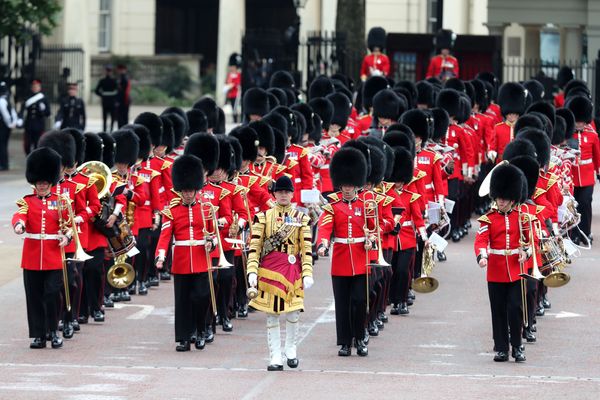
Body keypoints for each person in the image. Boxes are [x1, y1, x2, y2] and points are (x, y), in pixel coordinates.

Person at [246, 175, 313, 370]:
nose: (283, 195)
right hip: (269, 271)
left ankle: (290, 348)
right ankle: (275, 355)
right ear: (274, 194)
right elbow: (255, 246)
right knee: (272, 315)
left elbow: (306, 249)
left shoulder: (302, 219)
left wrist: (307, 272)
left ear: (292, 194)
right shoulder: (263, 217)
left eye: (287, 192)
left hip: (292, 270)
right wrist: (251, 270)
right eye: (280, 192)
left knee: (293, 312)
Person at [156, 154, 217, 352]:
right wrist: (161, 255)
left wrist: (212, 242)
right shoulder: (171, 211)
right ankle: (184, 337)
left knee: (201, 296)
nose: (188, 194)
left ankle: (200, 331)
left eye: (191, 190)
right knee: (182, 301)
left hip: (201, 258)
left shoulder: (206, 209)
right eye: (185, 191)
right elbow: (165, 235)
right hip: (181, 260)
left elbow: (213, 233)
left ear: (196, 189)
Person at [13, 147, 71, 349]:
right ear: (34, 182)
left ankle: (54, 331)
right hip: (31, 257)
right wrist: (19, 225)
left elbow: (69, 225)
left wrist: (67, 236)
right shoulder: (27, 202)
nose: (42, 185)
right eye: (39, 182)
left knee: (53, 294)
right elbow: (19, 215)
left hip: (54, 256)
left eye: (45, 182)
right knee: (34, 297)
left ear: (51, 182)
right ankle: (38, 335)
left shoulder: (61, 202)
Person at [317, 147, 372, 357]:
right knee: (342, 303)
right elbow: (325, 226)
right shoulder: (333, 205)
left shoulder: (366, 204)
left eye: (350, 184)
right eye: (344, 185)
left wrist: (372, 238)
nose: (347, 188)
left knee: (359, 301)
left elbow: (374, 227)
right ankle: (345, 342)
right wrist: (322, 243)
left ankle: (360, 337)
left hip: (360, 258)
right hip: (340, 259)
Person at [474, 163, 531, 362]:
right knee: (498, 311)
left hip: (516, 270)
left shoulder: (522, 217)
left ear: (513, 198)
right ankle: (500, 347)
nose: (500, 201)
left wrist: (526, 252)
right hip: (496, 271)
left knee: (515, 308)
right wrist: (482, 256)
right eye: (498, 198)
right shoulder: (488, 219)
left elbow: (530, 239)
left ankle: (517, 346)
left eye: (504, 199)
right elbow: (481, 240)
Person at [20, 79, 51, 155]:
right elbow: (22, 110)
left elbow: (48, 113)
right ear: (31, 87)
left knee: (38, 144)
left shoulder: (44, 98)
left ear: (40, 87)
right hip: (29, 125)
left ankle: (36, 160)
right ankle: (29, 157)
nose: (35, 87)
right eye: (34, 86)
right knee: (27, 145)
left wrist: (43, 110)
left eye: (37, 86)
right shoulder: (27, 97)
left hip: (39, 125)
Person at [0, 81, 18, 170]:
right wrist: (13, 122)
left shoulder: (2, 100)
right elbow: (13, 112)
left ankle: (3, 164)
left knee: (2, 145)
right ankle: (4, 163)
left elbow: (5, 114)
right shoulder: (7, 99)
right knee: (4, 145)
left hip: (3, 126)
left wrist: (9, 124)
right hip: (7, 126)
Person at [95, 65, 118, 132]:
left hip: (106, 101)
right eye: (108, 71)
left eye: (109, 71)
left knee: (109, 117)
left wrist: (102, 95)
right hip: (110, 101)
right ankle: (107, 130)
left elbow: (96, 91)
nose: (108, 72)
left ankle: (107, 130)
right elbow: (118, 91)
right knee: (108, 117)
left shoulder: (103, 80)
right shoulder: (114, 80)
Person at [225, 53, 242, 123]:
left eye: (232, 66)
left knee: (235, 108)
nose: (231, 68)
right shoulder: (229, 75)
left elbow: (238, 83)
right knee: (232, 108)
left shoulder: (238, 74)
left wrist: (233, 85)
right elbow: (226, 82)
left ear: (235, 67)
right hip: (230, 94)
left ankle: (236, 120)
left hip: (236, 94)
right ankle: (234, 120)